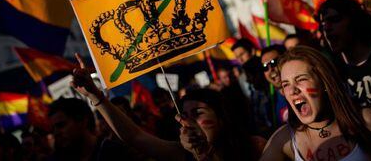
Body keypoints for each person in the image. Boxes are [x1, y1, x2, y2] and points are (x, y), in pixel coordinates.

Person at [71, 53, 266, 161]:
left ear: (221, 118)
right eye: (185, 115)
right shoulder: (182, 155)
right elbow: (134, 137)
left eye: (197, 113)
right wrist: (96, 96)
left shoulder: (256, 147)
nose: (189, 122)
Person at [261, 46, 371, 161]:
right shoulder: (284, 139)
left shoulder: (366, 120)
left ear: (324, 82)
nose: (292, 90)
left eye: (301, 79)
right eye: (286, 84)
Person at [316, 0, 371, 147]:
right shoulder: (330, 74)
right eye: (323, 24)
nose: (327, 28)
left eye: (335, 20)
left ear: (354, 21)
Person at [231, 38, 272, 136]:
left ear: (252, 51)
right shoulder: (242, 76)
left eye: (242, 54)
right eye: (237, 57)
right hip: (261, 125)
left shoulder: (265, 67)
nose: (240, 59)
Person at [259, 45, 288, 125]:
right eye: (265, 67)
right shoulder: (269, 103)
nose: (270, 69)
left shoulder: (302, 89)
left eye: (274, 62)